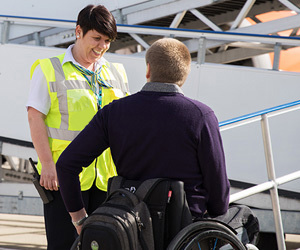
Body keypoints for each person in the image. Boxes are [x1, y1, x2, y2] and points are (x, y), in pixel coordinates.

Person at [56, 38, 230, 235]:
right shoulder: (201, 116)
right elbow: (219, 194)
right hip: (186, 229)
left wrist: (80, 219)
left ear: (148, 69)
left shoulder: (113, 112)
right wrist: (217, 213)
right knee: (243, 217)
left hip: (129, 226)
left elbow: (66, 165)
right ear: (185, 74)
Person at [26, 4, 129, 249]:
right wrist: (48, 165)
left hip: (105, 178)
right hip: (62, 178)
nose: (102, 47)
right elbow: (34, 117)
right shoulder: (50, 68)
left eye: (107, 41)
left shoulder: (116, 71)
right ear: (78, 31)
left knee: (102, 244)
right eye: (96, 38)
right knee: (64, 245)